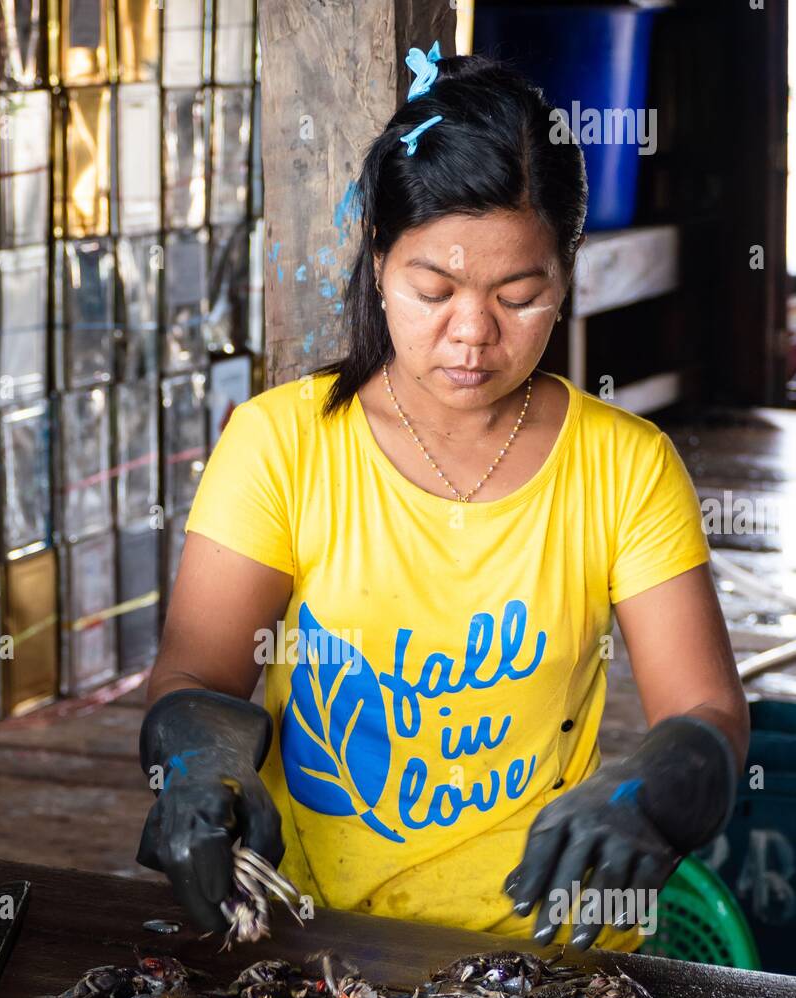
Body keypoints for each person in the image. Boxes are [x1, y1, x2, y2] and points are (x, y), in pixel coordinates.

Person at [137, 48, 748, 951]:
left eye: (518, 295)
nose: (472, 333)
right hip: (315, 942)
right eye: (433, 290)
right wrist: (200, 766)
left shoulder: (625, 466)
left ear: (566, 277)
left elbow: (707, 712)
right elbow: (196, 677)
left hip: (544, 959)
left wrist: (648, 789)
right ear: (379, 262)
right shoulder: (281, 445)